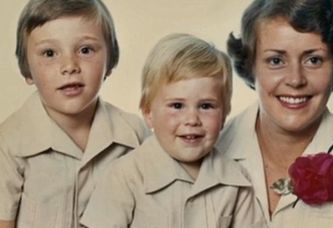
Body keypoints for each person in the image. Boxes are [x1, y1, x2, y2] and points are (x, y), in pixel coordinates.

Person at [0, 0, 149, 227]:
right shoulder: (7, 145)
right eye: (49, 53)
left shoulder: (135, 134)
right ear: (27, 69)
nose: (69, 65)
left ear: (109, 61)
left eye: (85, 50)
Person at [217, 0, 333, 227]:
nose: (295, 79)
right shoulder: (207, 148)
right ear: (251, 65)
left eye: (314, 60)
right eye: (276, 60)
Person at [80, 33, 266, 228]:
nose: (192, 120)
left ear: (224, 114)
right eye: (177, 106)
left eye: (206, 106)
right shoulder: (125, 177)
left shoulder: (236, 181)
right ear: (148, 112)